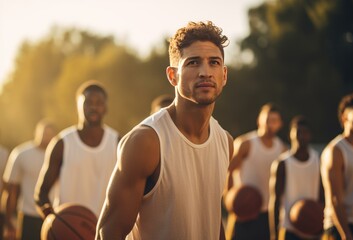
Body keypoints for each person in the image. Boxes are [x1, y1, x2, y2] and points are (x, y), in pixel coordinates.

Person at [96, 21, 233, 240]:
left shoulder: (225, 141)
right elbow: (108, 232)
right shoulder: (146, 141)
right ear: (172, 76)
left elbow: (211, 220)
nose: (205, 73)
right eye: (193, 63)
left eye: (214, 63)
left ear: (224, 75)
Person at [34, 80, 120, 220]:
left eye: (99, 103)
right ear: (78, 106)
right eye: (88, 103)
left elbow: (128, 192)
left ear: (105, 108)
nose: (93, 107)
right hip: (68, 228)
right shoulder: (62, 143)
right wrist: (52, 218)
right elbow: (41, 193)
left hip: (104, 229)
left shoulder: (118, 142)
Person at [225, 103, 287, 240]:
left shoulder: (282, 149)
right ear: (259, 120)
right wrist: (230, 199)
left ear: (280, 124)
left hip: (267, 213)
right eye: (267, 120)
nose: (270, 124)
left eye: (274, 121)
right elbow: (228, 172)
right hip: (243, 210)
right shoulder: (246, 143)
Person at [268, 116, 324, 240]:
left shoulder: (318, 160)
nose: (302, 136)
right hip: (289, 229)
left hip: (313, 227)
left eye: (305, 132)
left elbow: (323, 195)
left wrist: (321, 225)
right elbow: (275, 200)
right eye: (298, 132)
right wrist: (274, 235)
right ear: (290, 135)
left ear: (310, 135)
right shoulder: (281, 163)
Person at [1, 120, 56, 240]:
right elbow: (11, 190)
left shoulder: (59, 155)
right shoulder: (21, 154)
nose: (46, 137)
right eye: (43, 133)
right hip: (27, 216)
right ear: (36, 133)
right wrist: (8, 219)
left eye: (49, 134)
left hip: (52, 216)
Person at [321, 91, 353, 240]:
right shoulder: (336, 151)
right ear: (345, 118)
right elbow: (335, 198)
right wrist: (346, 235)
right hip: (341, 227)